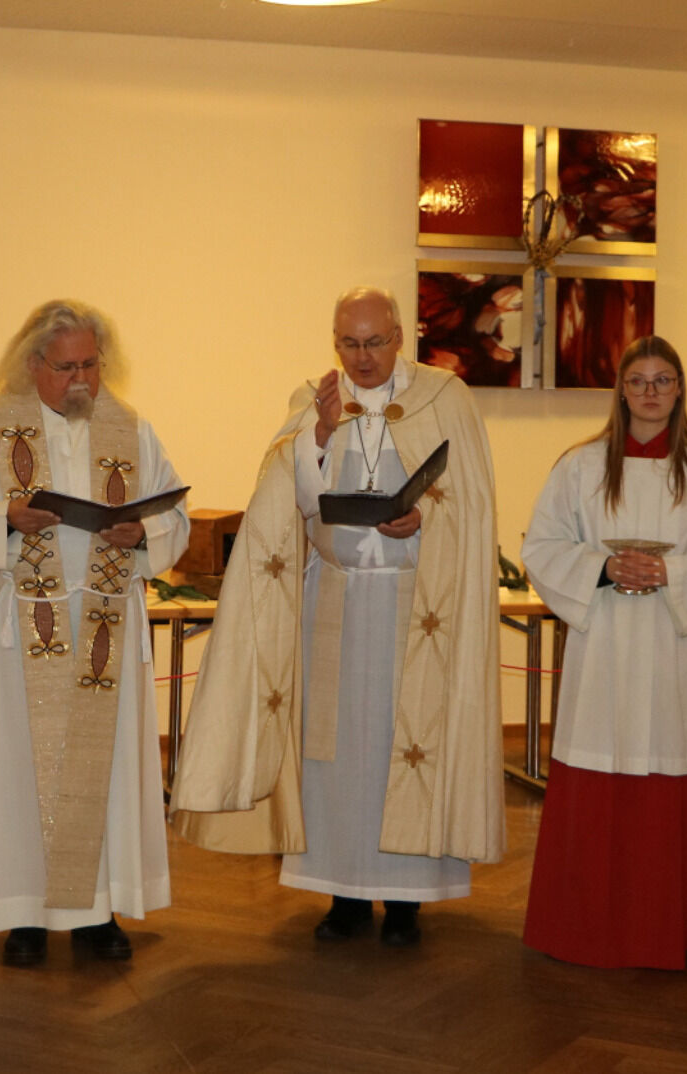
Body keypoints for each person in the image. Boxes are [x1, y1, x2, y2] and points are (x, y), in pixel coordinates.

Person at [172, 286, 503, 947]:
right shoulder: (313, 399)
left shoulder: (446, 396)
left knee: (405, 751)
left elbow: (471, 504)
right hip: (337, 606)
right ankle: (345, 894)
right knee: (337, 756)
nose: (362, 358)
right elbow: (284, 498)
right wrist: (318, 437)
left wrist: (423, 517)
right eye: (348, 344)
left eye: (374, 343)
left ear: (401, 337)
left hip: (416, 611)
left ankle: (407, 899)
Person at [0, 299, 188, 967]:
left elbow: (172, 515)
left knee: (106, 770)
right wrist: (8, 516)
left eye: (90, 365)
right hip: (26, 625)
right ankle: (25, 912)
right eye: (65, 366)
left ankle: (98, 911)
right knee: (21, 772)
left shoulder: (132, 431)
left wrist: (144, 533)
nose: (80, 380)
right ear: (32, 365)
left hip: (104, 620)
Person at [519, 336, 687, 969]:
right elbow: (541, 547)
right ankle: (584, 926)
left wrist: (671, 576)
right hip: (606, 648)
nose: (651, 392)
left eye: (663, 380)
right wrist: (602, 566)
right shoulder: (580, 466)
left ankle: (671, 925)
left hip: (675, 650)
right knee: (601, 761)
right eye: (638, 381)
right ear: (620, 390)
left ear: (680, 389)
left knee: (669, 761)